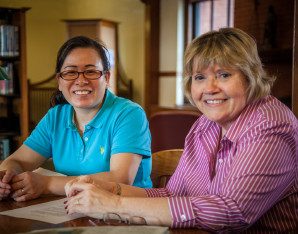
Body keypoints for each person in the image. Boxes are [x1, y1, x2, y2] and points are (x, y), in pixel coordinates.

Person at [64, 28, 298, 232]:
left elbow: (231, 212)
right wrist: (112, 190)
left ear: (250, 77)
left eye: (224, 75)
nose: (209, 88)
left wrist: (112, 205)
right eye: (199, 77)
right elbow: (174, 195)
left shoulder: (271, 125)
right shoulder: (205, 125)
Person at [0, 36, 152, 202]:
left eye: (91, 71)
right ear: (59, 81)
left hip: (127, 213)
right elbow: (18, 161)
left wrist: (47, 183)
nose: (81, 80)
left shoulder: (129, 114)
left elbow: (120, 179)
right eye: (71, 72)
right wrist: (7, 178)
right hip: (72, 210)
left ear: (106, 78)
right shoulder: (55, 117)